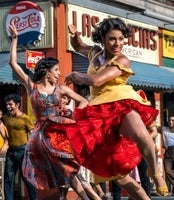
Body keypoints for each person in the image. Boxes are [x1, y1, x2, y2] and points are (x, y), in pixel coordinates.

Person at [65, 18, 168, 198]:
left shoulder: (122, 60)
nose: (118, 43)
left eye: (121, 39)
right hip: (98, 112)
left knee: (142, 135)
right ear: (103, 38)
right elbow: (78, 46)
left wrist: (75, 75)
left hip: (120, 102)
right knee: (116, 173)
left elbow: (97, 80)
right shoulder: (95, 53)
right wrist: (74, 36)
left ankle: (155, 173)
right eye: (113, 39)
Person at [8, 24, 90, 200]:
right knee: (46, 176)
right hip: (39, 138)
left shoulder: (61, 89)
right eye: (56, 71)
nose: (59, 74)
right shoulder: (32, 87)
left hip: (58, 135)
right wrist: (14, 40)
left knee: (67, 169)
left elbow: (83, 101)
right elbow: (13, 64)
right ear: (46, 72)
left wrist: (73, 118)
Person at [2, 94, 37, 200]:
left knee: (27, 178)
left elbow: (33, 134)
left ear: (17, 105)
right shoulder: (5, 118)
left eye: (10, 104)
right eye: (7, 104)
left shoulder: (25, 118)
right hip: (11, 152)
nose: (8, 107)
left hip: (23, 151)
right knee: (8, 178)